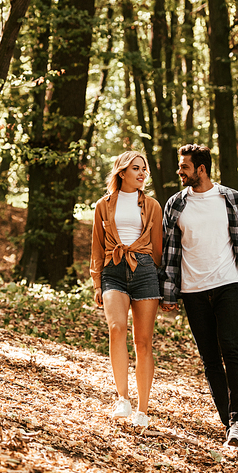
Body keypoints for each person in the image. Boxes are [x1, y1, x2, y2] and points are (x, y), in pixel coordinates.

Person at [160, 144, 238, 448]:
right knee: (209, 359)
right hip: (193, 291)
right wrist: (168, 291)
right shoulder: (175, 205)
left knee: (231, 350)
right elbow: (169, 253)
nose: (179, 172)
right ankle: (228, 421)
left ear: (201, 169)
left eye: (184, 167)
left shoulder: (233, 200)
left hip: (228, 284)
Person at [90, 151, 163, 428]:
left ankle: (142, 411)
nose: (142, 173)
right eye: (136, 168)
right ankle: (122, 398)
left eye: (144, 169)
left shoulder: (153, 206)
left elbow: (158, 248)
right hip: (113, 270)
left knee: (143, 343)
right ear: (122, 173)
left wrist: (164, 285)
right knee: (116, 328)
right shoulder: (104, 205)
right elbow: (97, 245)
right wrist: (97, 281)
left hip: (145, 271)